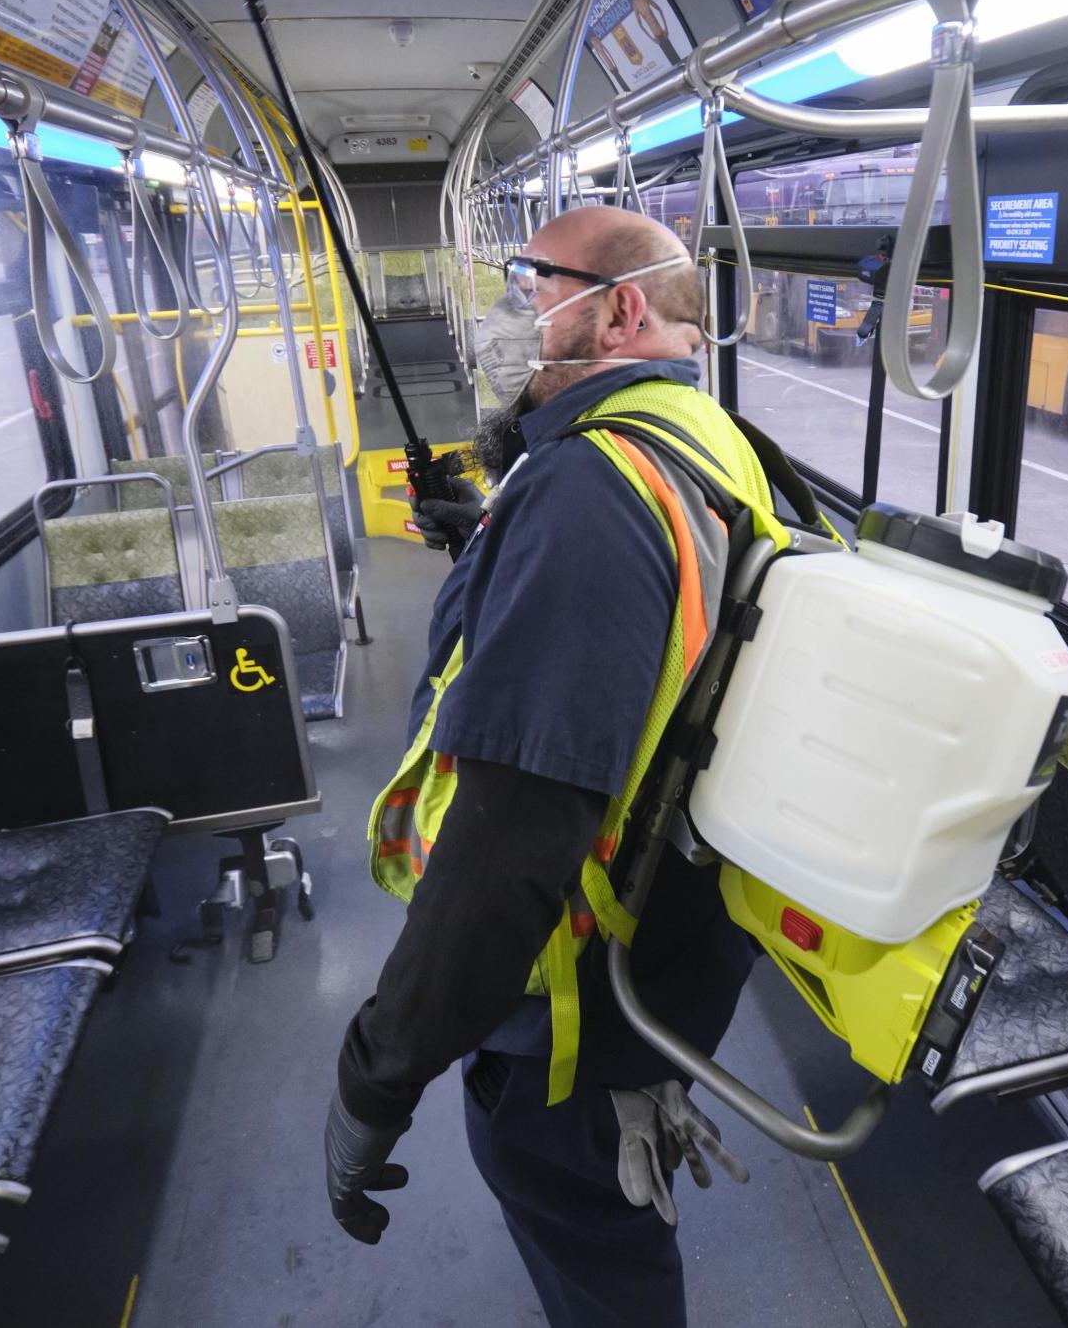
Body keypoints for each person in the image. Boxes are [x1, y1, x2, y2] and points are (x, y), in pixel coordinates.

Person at [330, 206, 799, 1327]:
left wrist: (377, 1073)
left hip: (572, 997)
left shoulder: (589, 494)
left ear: (620, 307)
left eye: (529, 288)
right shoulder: (705, 436)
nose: (508, 320)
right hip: (672, 945)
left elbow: (509, 845)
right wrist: (494, 538)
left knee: (595, 1250)